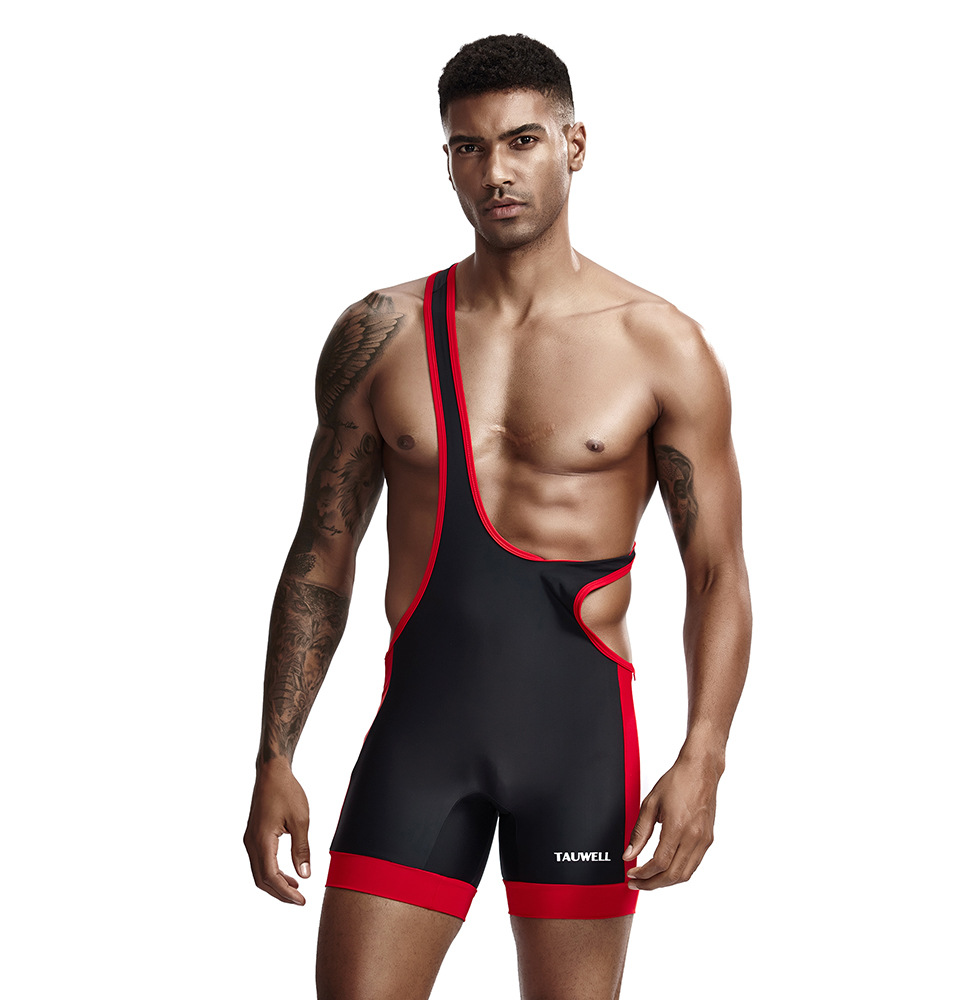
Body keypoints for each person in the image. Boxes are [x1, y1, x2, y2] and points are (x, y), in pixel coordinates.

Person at [244, 33, 751, 1000]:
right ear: (447, 161)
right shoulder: (381, 333)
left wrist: (705, 757)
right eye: (468, 148)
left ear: (574, 145)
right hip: (419, 741)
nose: (495, 173)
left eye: (522, 141)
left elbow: (717, 570)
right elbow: (322, 553)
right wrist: (276, 757)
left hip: (578, 749)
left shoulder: (660, 346)